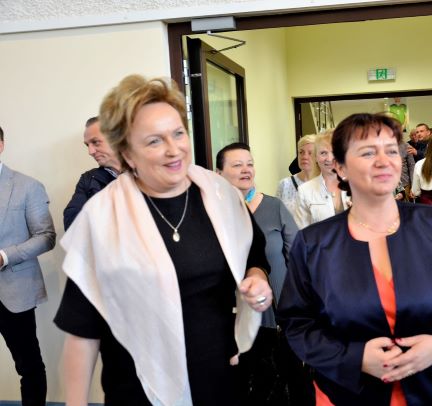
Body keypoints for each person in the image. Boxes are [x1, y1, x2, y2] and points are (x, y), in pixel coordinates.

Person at [54, 75, 272, 406]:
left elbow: (254, 255)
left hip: (220, 380)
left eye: (178, 133)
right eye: (155, 141)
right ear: (127, 153)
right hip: (139, 389)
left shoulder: (221, 197)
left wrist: (257, 279)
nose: (174, 150)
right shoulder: (102, 218)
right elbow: (82, 331)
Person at [278, 113, 432, 406]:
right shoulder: (314, 243)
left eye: (391, 150)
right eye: (367, 152)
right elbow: (297, 324)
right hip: (348, 395)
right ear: (341, 167)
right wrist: (354, 358)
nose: (383, 161)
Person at [216, 142, 311, 405]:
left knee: (280, 382)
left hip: (275, 309)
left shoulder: (274, 207)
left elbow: (297, 257)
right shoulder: (212, 213)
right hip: (231, 313)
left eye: (250, 164)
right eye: (237, 165)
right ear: (218, 173)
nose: (246, 170)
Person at [0, 125, 56, 406]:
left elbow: (46, 237)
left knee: (28, 365)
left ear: (0, 145)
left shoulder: (27, 186)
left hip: (14, 291)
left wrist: (4, 256)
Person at [63, 116, 122, 230]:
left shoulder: (148, 173)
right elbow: (72, 224)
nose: (90, 151)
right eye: (87, 145)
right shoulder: (88, 179)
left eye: (95, 142)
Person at [295, 130, 350, 228]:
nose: (329, 158)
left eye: (334, 152)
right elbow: (302, 232)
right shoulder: (304, 191)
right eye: (323, 153)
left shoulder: (358, 186)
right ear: (315, 157)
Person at [276, 134, 317, 221]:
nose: (304, 157)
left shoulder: (324, 183)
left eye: (310, 153)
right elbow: (276, 216)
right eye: (301, 152)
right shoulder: (284, 184)